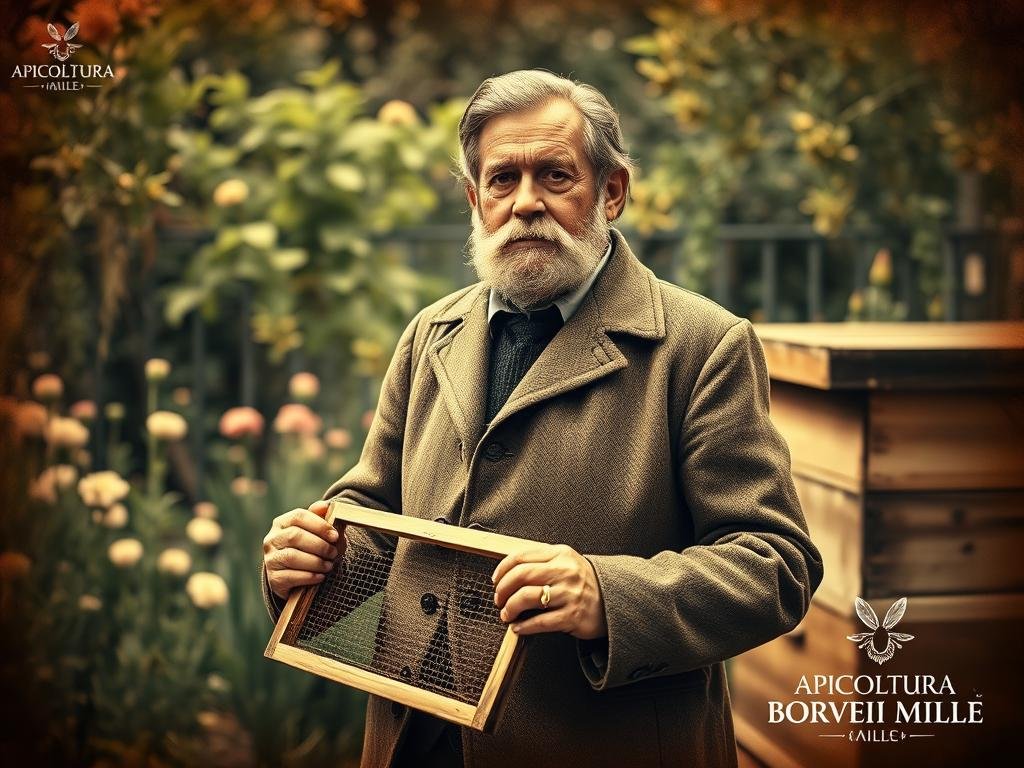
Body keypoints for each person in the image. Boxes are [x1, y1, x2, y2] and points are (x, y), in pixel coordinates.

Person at [261, 69, 823, 768]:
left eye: (556, 176)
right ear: (475, 200)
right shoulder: (430, 332)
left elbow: (776, 566)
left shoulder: (702, 344)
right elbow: (373, 512)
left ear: (610, 192)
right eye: (502, 180)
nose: (526, 203)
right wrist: (313, 556)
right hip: (414, 745)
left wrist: (609, 596)